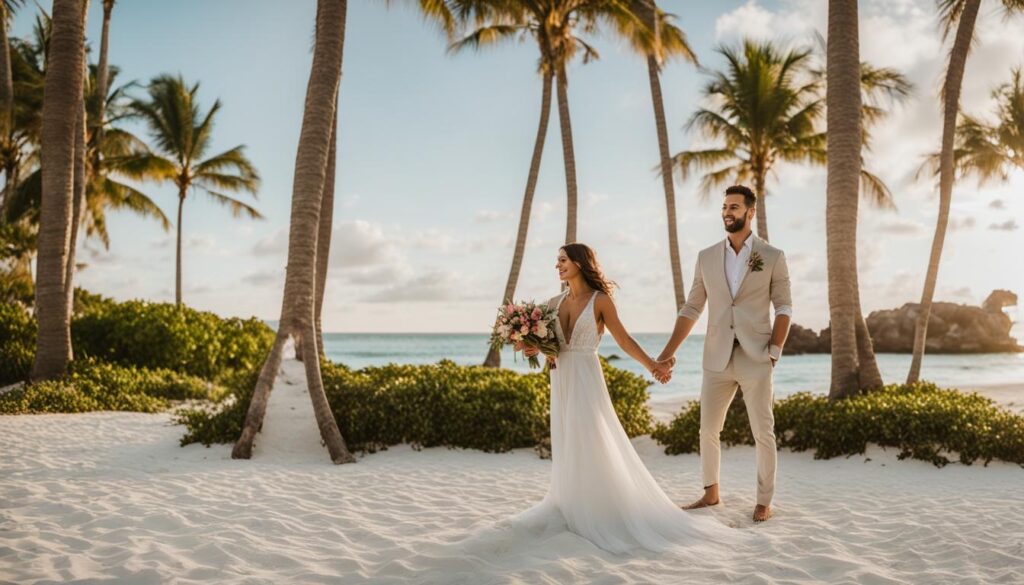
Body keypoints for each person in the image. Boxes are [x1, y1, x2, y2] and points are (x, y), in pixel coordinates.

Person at [512, 242, 737, 554]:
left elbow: (624, 340)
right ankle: (572, 503)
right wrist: (530, 346)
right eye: (557, 261)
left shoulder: (601, 300)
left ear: (579, 262)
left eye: (563, 260)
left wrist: (654, 366)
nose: (558, 265)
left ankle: (598, 509)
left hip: (586, 378)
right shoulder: (553, 302)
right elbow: (550, 347)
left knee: (592, 439)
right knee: (567, 440)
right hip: (561, 379)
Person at [657, 184, 792, 523]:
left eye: (734, 207)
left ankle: (764, 500)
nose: (727, 212)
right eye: (724, 207)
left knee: (763, 431)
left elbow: (784, 307)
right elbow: (692, 307)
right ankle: (711, 492)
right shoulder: (706, 257)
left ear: (751, 212)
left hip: (756, 355)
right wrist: (667, 352)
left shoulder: (773, 256)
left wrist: (773, 351)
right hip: (716, 356)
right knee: (707, 429)